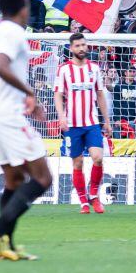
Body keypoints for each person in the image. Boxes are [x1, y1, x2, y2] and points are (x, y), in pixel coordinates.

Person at [0, 0, 53, 261]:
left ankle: (5, 245)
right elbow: (1, 66)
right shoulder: (13, 32)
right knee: (43, 178)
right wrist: (31, 93)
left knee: (14, 179)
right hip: (6, 114)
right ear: (22, 7)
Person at [53, 32, 111, 214]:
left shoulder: (94, 68)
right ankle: (83, 202)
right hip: (72, 125)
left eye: (83, 45)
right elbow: (58, 94)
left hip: (92, 122)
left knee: (98, 158)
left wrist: (107, 121)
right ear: (71, 48)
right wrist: (61, 116)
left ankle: (93, 195)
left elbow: (100, 94)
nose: (81, 48)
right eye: (77, 45)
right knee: (77, 163)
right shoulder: (64, 69)